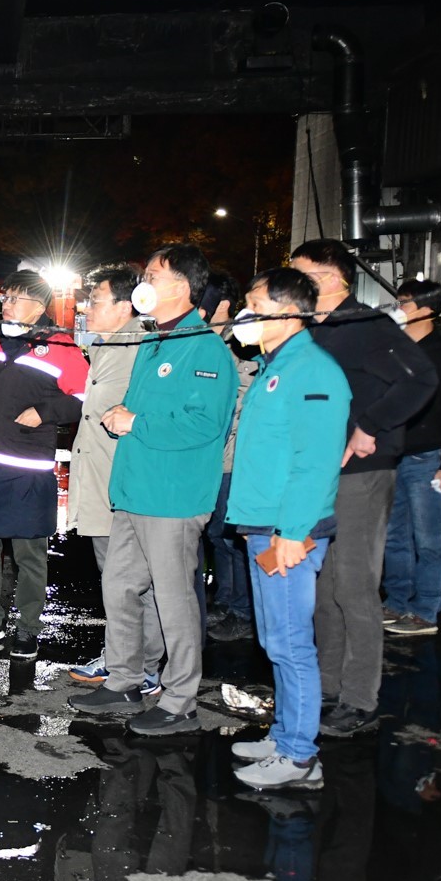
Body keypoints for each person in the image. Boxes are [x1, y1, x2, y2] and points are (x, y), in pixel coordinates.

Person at [68, 244, 236, 735]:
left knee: (173, 598)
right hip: (135, 492)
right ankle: (123, 679)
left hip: (173, 497)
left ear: (182, 287)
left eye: (154, 274)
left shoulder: (203, 348)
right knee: (119, 586)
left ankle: (181, 697)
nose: (145, 281)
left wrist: (135, 420)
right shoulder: (154, 343)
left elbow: (205, 424)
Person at [288, 240, 436, 736]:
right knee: (324, 587)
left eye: (300, 272)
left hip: (362, 474)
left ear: (331, 278)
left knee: (354, 585)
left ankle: (360, 697)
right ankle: (327, 687)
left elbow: (421, 380)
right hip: (320, 473)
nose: (292, 279)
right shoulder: (313, 329)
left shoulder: (366, 324)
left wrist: (370, 426)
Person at [223, 268, 352, 790]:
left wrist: (294, 531)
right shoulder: (275, 366)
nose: (243, 315)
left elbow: (315, 462)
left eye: (253, 304)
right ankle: (284, 735)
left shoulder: (312, 371)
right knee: (276, 639)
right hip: (265, 525)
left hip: (287, 530)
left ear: (287, 310)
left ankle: (300, 757)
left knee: (292, 642)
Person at [0, 269, 90, 659]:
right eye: (6, 297)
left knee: (29, 555)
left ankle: (28, 629)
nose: (5, 304)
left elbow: (81, 398)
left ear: (38, 306)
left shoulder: (61, 346)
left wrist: (44, 412)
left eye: (13, 298)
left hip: (26, 471)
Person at [65, 263, 164, 696]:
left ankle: (144, 665)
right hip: (103, 485)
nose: (88, 307)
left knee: (135, 583)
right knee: (119, 580)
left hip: (123, 488)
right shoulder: (108, 346)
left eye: (97, 300)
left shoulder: (141, 347)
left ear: (125, 306)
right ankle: (126, 658)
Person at [382, 279, 441, 637]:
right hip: (391, 457)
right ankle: (396, 602)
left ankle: (425, 610)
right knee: (394, 537)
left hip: (428, 460)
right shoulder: (393, 350)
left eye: (403, 302)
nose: (398, 307)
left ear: (427, 309)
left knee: (429, 538)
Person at [201, 274, 263, 643]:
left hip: (235, 455)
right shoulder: (214, 341)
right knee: (216, 533)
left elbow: (242, 398)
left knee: (232, 535)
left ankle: (242, 610)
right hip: (215, 454)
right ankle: (226, 599)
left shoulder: (243, 343)